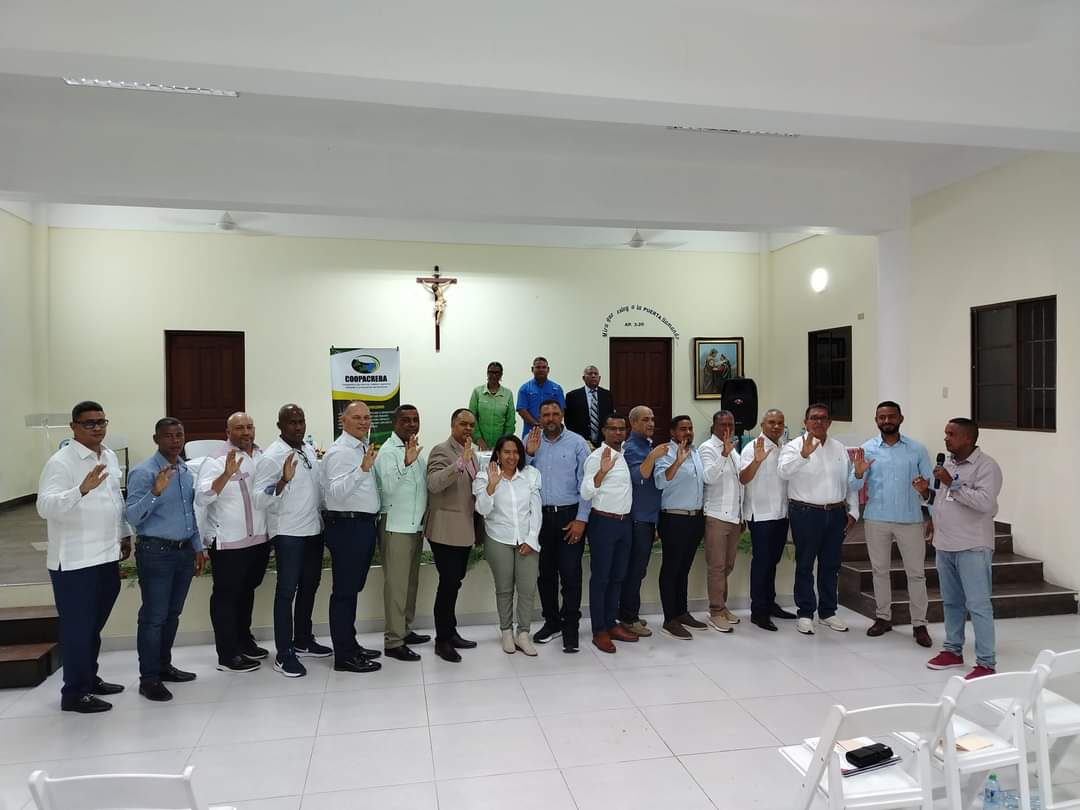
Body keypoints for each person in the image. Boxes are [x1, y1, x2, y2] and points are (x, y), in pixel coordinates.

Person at [36, 401, 131, 713]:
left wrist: (124, 532)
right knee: (78, 630)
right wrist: (81, 490)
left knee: (93, 627)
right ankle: (74, 693)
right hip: (75, 561)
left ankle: (89, 679)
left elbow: (115, 499)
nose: (97, 427)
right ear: (74, 427)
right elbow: (44, 506)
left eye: (101, 421)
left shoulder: (109, 455)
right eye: (89, 423)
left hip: (106, 555)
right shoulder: (61, 462)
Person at [916, 418, 1003, 679]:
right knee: (952, 602)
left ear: (968, 438)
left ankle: (986, 663)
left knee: (978, 605)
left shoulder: (987, 466)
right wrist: (927, 494)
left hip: (972, 545)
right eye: (946, 433)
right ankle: (953, 650)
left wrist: (951, 483)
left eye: (951, 434)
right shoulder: (949, 464)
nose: (946, 438)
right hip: (945, 544)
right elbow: (945, 500)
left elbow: (985, 503)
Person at [126, 418, 204, 701]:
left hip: (184, 552)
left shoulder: (185, 470)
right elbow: (132, 516)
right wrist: (155, 492)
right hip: (156, 553)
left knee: (172, 614)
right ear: (156, 439)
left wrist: (197, 548)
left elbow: (190, 513)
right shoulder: (143, 472)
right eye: (168, 436)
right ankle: (148, 679)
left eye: (179, 435)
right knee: (154, 618)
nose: (175, 440)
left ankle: (163, 666)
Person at [254, 404, 329, 678]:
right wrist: (283, 481)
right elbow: (259, 499)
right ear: (280, 426)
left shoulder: (307, 449)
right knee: (286, 593)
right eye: (291, 422)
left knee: (310, 586)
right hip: (288, 533)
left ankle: (303, 640)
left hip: (312, 530)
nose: (298, 427)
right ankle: (284, 654)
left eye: (301, 421)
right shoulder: (272, 456)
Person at [195, 412, 272, 674]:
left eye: (249, 426)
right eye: (239, 428)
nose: (246, 432)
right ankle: (227, 655)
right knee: (226, 597)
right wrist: (225, 475)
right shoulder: (216, 459)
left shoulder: (261, 456)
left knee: (247, 591)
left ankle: (244, 641)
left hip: (259, 539)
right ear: (228, 432)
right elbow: (202, 498)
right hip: (228, 542)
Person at [852, 401, 934, 648]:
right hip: (877, 518)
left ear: (900, 418)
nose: (886, 421)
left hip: (910, 519)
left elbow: (929, 487)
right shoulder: (867, 449)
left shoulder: (917, 449)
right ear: (876, 420)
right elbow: (854, 485)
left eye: (891, 416)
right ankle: (883, 617)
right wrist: (858, 472)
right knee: (880, 571)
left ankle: (919, 624)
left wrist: (933, 517)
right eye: (882, 417)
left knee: (916, 574)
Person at [777, 404, 859, 635]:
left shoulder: (839, 448)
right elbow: (783, 472)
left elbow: (849, 481)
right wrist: (803, 456)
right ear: (805, 422)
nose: (818, 422)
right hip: (806, 513)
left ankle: (827, 612)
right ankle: (805, 613)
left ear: (829, 422)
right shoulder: (794, 446)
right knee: (805, 564)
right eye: (814, 418)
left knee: (831, 565)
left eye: (823, 418)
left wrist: (853, 511)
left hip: (835, 513)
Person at [320, 402, 383, 674]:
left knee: (351, 590)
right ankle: (344, 656)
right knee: (344, 593)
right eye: (356, 417)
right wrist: (362, 470)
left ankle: (351, 645)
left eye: (367, 417)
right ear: (342, 420)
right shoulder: (340, 452)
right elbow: (334, 493)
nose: (363, 422)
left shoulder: (359, 447)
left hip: (361, 526)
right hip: (348, 527)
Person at [525, 400, 590, 653]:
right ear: (539, 417)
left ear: (562, 414)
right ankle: (552, 623)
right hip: (540, 518)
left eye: (555, 413)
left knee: (571, 574)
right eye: (545, 415)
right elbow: (519, 476)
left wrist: (581, 519)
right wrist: (529, 454)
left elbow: (586, 483)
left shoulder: (577, 443)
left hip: (569, 517)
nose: (550, 418)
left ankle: (570, 628)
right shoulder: (530, 441)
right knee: (546, 575)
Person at [475, 434, 542, 656]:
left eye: (515, 452)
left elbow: (536, 510)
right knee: (504, 589)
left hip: (527, 540)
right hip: (498, 539)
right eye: (506, 452)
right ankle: (506, 632)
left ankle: (523, 634)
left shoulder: (530, 475)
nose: (511, 457)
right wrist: (491, 487)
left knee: (527, 589)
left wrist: (532, 538)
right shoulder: (485, 476)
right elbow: (482, 510)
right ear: (498, 454)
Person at [374, 404, 431, 661]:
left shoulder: (414, 449)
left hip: (414, 527)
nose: (411, 424)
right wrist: (406, 463)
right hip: (395, 526)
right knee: (397, 586)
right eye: (405, 420)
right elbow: (387, 488)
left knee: (410, 583)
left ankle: (405, 629)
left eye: (415, 419)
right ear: (394, 423)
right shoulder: (388, 451)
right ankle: (393, 641)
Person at [425, 408, 480, 663]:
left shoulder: (473, 454)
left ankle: (451, 631)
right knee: (447, 585)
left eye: (471, 425)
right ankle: (442, 640)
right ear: (452, 425)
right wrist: (459, 464)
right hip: (445, 530)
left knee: (455, 583)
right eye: (463, 424)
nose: (468, 428)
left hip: (465, 528)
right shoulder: (441, 451)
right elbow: (434, 484)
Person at [580, 413, 637, 653]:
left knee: (618, 577)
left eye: (621, 429)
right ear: (603, 431)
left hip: (625, 523)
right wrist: (602, 472)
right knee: (601, 578)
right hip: (603, 523)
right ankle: (599, 630)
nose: (617, 432)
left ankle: (611, 623)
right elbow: (585, 492)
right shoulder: (596, 457)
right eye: (612, 428)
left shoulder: (624, 455)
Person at [738, 409, 796, 631]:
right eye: (771, 422)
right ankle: (759, 611)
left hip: (781, 513)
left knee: (773, 562)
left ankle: (770, 604)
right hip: (761, 515)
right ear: (762, 425)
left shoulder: (785, 447)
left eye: (780, 422)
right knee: (762, 563)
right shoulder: (752, 447)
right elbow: (743, 478)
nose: (776, 426)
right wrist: (757, 461)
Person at [654, 415, 707, 640]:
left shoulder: (696, 453)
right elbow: (660, 481)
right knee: (671, 568)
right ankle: (669, 619)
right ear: (673, 432)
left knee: (684, 568)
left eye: (690, 428)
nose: (688, 432)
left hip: (695, 519)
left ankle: (681, 612)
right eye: (683, 429)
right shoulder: (664, 452)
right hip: (674, 519)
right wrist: (677, 462)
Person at [617, 405, 667, 637]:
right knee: (634, 571)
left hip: (649, 517)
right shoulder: (631, 448)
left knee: (639, 570)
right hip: (637, 518)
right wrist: (654, 456)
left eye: (652, 419)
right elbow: (639, 477)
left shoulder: (646, 445)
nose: (651, 423)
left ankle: (627, 613)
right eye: (645, 419)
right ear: (633, 423)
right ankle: (629, 618)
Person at [699, 410, 743, 633]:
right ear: (714, 426)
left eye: (731, 424)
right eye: (723, 424)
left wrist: (742, 515)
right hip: (716, 516)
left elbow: (740, 483)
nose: (727, 428)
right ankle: (715, 611)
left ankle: (722, 606)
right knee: (716, 567)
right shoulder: (707, 448)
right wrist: (724, 454)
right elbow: (708, 477)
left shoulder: (734, 449)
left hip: (734, 516)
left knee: (728, 565)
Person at [469, 361, 517, 450]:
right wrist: (479, 439)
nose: (494, 375)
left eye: (497, 372)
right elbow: (472, 417)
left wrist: (503, 442)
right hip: (479, 444)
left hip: (501, 445)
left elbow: (510, 421)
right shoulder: (477, 392)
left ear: (501, 374)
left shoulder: (508, 394)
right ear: (487, 373)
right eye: (491, 372)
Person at [564, 365, 614, 447]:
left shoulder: (607, 395)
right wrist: (576, 438)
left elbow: (610, 416)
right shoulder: (572, 396)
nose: (593, 376)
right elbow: (568, 420)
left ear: (599, 378)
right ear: (583, 378)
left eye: (595, 374)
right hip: (580, 440)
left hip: (603, 440)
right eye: (590, 373)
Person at [516, 356, 565, 435]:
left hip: (552, 431)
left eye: (544, 367)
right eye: (538, 367)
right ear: (532, 369)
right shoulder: (524, 389)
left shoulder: (557, 388)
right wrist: (537, 425)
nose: (541, 370)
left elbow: (562, 410)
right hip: (531, 431)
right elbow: (522, 410)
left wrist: (552, 423)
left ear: (548, 369)